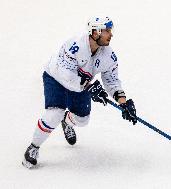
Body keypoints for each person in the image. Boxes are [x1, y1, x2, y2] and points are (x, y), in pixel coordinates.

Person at [22, 16, 137, 169]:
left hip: (82, 84)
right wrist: (90, 87)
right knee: (54, 113)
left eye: (111, 30)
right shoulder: (74, 45)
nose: (111, 34)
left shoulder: (108, 56)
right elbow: (65, 74)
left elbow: (111, 80)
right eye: (107, 31)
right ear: (95, 32)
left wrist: (123, 102)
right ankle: (34, 147)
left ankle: (66, 121)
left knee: (82, 120)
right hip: (56, 78)